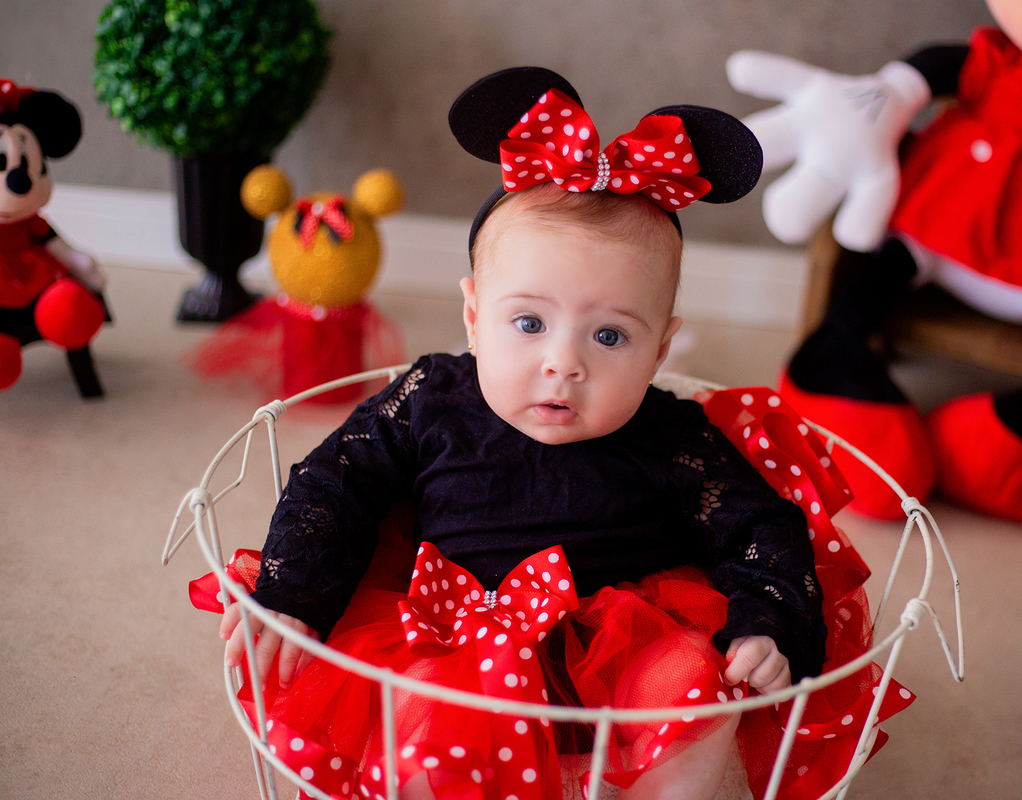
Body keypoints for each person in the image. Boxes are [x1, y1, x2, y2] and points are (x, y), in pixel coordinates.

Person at [216, 68, 834, 800]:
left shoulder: (674, 433)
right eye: (529, 323)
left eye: (610, 335)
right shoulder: (432, 396)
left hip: (622, 646)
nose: (562, 364)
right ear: (474, 316)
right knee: (420, 720)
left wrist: (769, 622)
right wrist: (296, 592)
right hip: (457, 639)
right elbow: (336, 478)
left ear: (661, 352)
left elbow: (758, 525)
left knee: (693, 687)